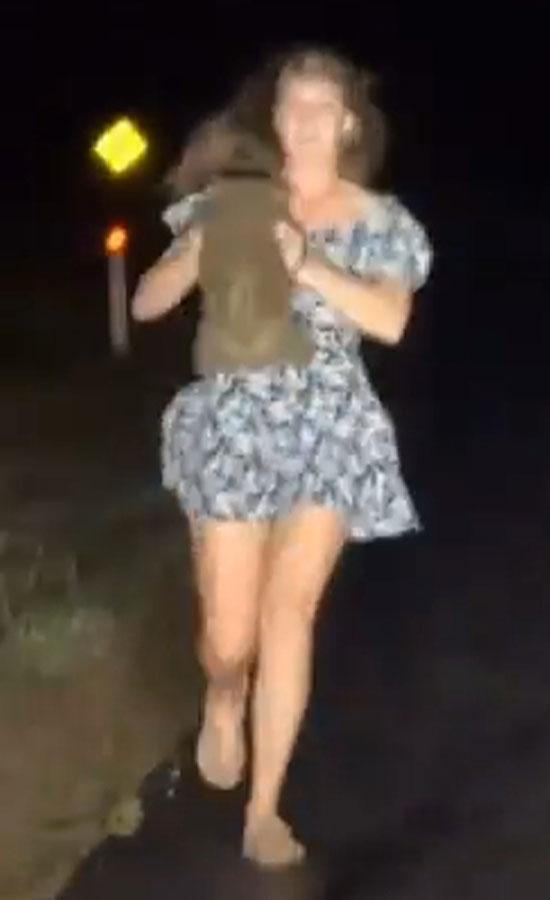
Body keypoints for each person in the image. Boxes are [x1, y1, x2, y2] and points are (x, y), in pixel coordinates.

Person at [131, 45, 433, 868]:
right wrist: (191, 254)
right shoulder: (231, 202)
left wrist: (312, 264)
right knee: (230, 638)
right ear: (275, 119)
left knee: (288, 614)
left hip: (332, 425)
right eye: (289, 108)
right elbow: (147, 301)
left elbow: (391, 320)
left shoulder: (381, 222)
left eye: (319, 109)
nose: (301, 123)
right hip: (234, 417)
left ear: (346, 123)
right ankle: (223, 694)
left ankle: (264, 809)